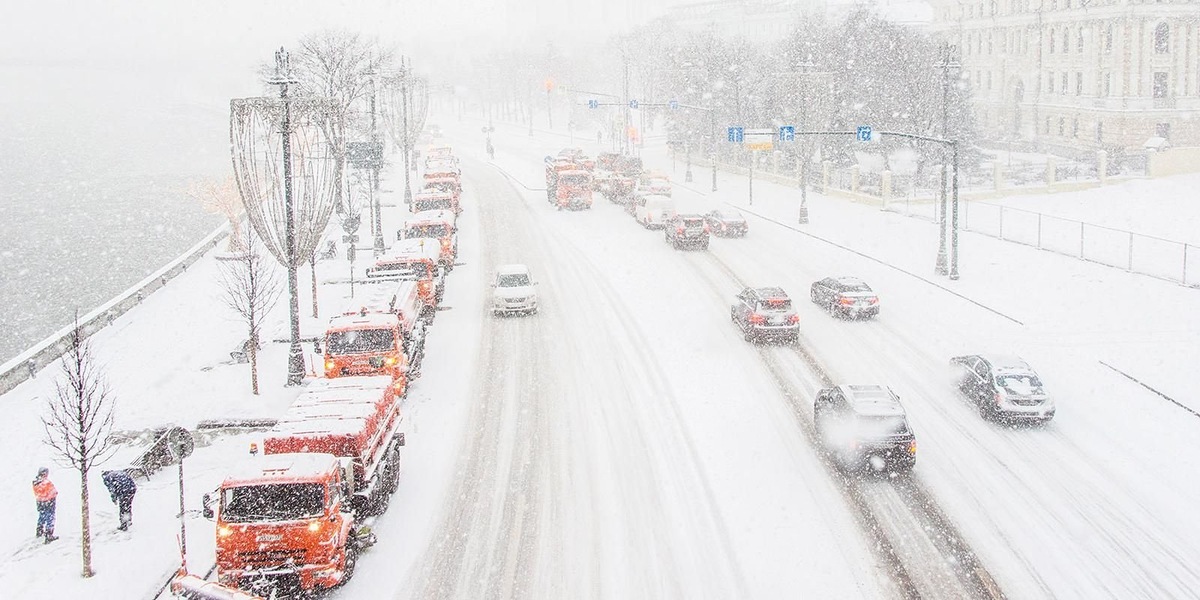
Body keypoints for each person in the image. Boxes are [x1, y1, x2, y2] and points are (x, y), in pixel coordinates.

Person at [32, 467, 58, 543]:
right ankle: (49, 534)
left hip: (40, 502)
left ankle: (39, 531)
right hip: (49, 502)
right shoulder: (47, 483)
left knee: (42, 516)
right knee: (50, 518)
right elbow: (53, 492)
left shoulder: (35, 482)